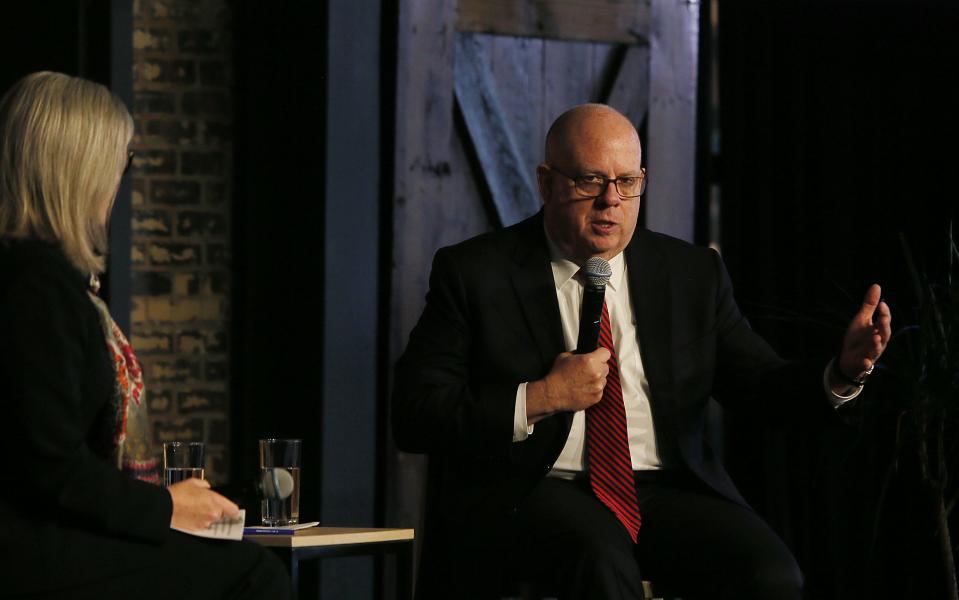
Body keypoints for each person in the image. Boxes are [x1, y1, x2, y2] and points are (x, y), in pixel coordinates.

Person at [391, 103, 891, 600]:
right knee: (600, 561)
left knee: (770, 575)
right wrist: (541, 397)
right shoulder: (476, 273)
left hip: (660, 489)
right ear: (546, 183)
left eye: (626, 182)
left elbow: (760, 384)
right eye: (590, 180)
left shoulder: (691, 273)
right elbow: (415, 413)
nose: (611, 201)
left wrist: (841, 374)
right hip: (533, 487)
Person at [0, 72, 290, 599]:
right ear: (79, 171)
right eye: (118, 163)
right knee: (255, 574)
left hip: (41, 537)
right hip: (26, 551)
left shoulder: (42, 279)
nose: (118, 181)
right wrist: (167, 507)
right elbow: (49, 469)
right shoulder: (35, 288)